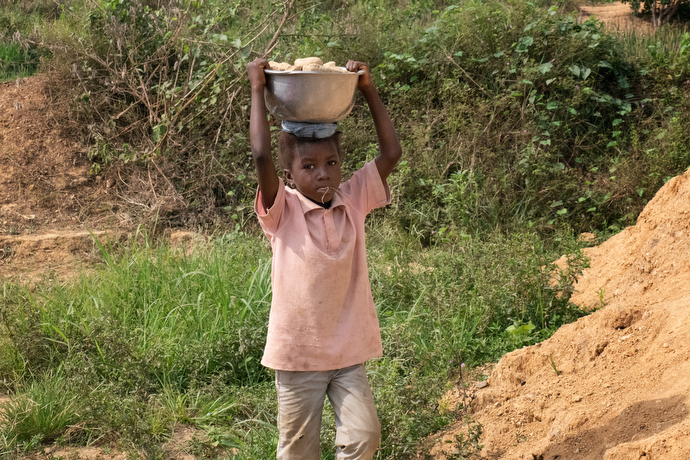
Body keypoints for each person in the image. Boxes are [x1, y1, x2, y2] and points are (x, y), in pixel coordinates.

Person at [246, 57, 402, 460]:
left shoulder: (353, 198)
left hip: (348, 352)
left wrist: (366, 90)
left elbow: (392, 152)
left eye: (331, 163)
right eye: (309, 166)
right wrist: (257, 90)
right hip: (298, 356)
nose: (323, 175)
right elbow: (262, 157)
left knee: (364, 437)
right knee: (299, 452)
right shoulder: (282, 211)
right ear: (289, 172)